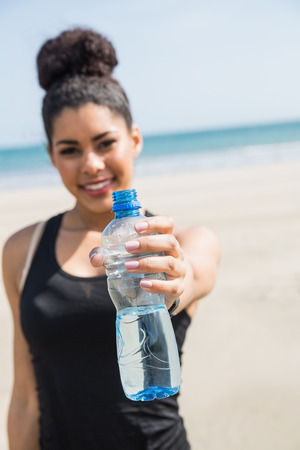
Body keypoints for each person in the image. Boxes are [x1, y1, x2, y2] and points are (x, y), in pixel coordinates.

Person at [2, 28, 220, 450]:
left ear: (134, 140)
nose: (91, 164)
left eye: (106, 143)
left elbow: (194, 274)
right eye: (70, 150)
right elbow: (26, 397)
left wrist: (177, 280)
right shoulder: (21, 252)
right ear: (51, 157)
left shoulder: (183, 241)